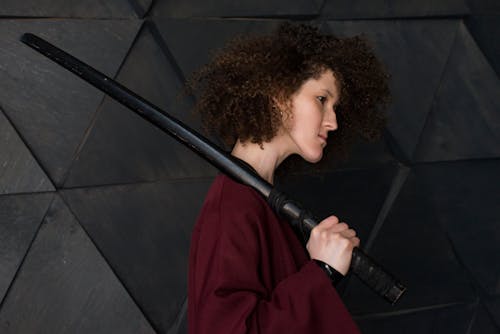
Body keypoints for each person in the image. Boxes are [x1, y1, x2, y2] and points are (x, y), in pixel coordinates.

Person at [187, 22, 390, 333]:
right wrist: (320, 271)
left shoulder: (261, 204)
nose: (333, 122)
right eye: (322, 99)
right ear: (278, 93)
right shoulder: (233, 207)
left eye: (334, 107)